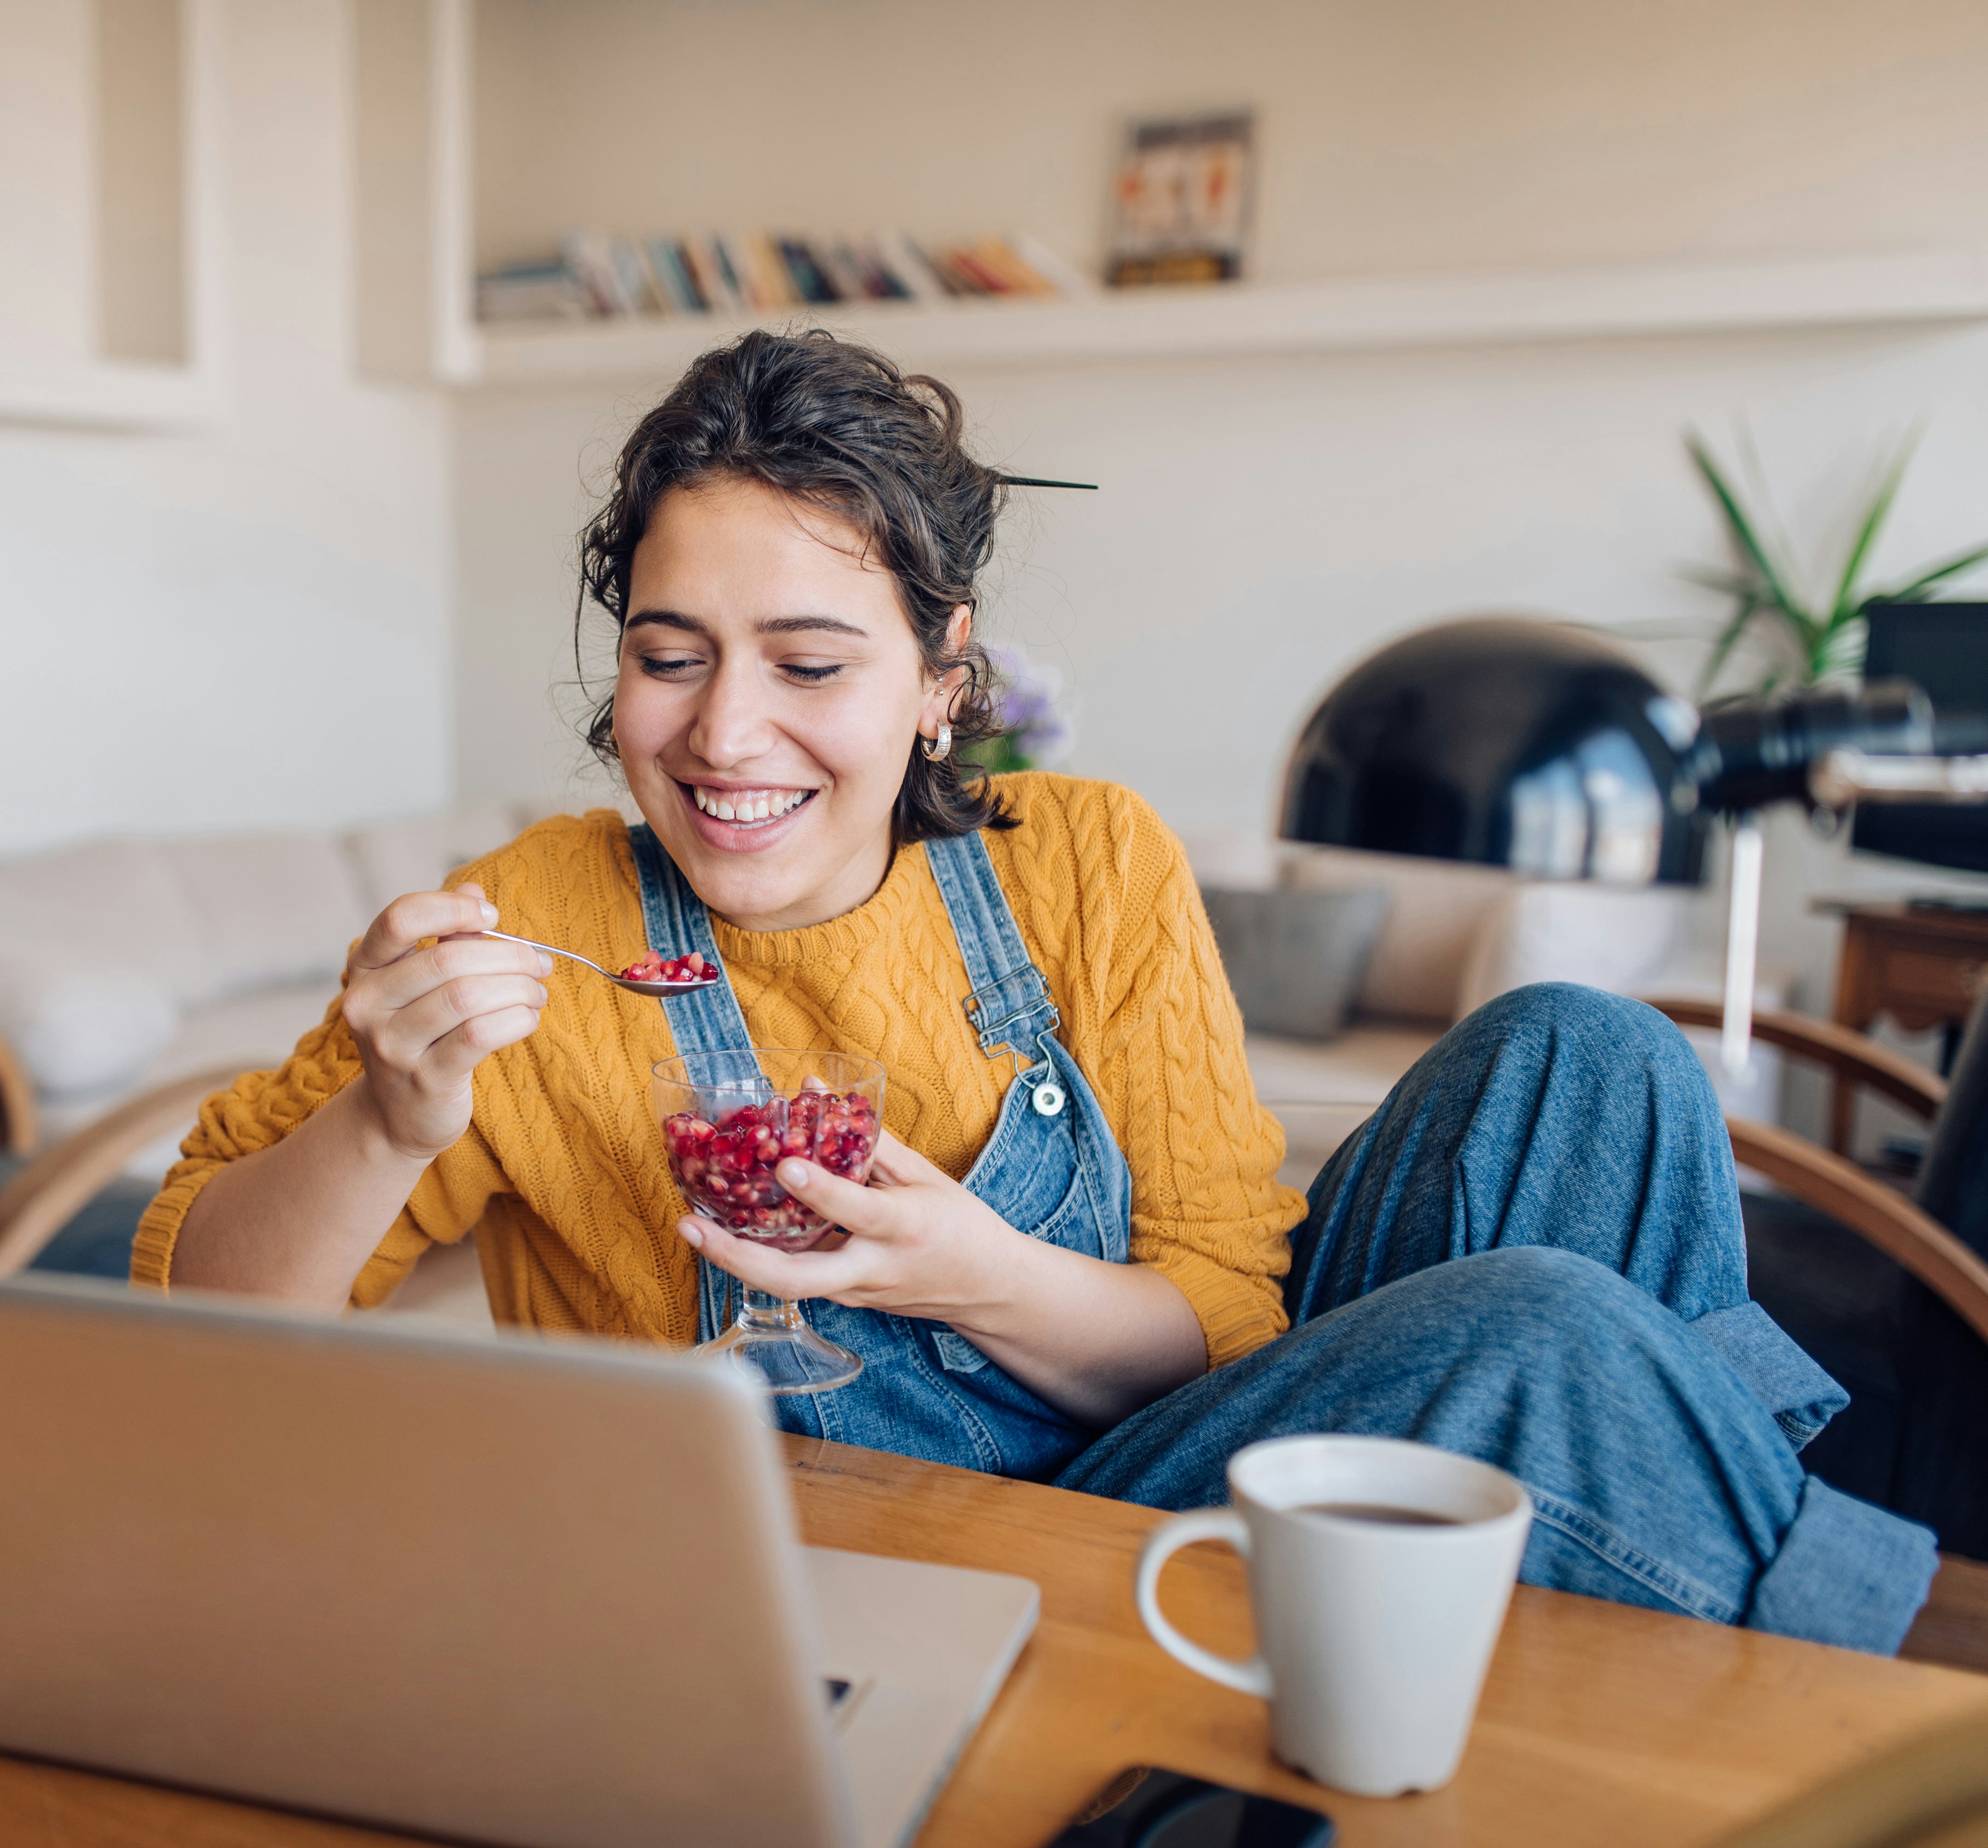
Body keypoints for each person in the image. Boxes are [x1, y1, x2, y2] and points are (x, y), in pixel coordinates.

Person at [138, 329, 1938, 1653]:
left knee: (1591, 1060)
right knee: (1536, 1332)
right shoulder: (530, 918)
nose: (721, 732)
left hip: (1157, 1452)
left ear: (942, 679)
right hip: (844, 1585)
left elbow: (1230, 1319)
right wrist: (386, 1116)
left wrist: (970, 1273)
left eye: (809, 661)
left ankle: (1645, 1628)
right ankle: (1799, 1682)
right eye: (667, 657)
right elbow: (186, 1317)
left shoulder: (1080, 857)